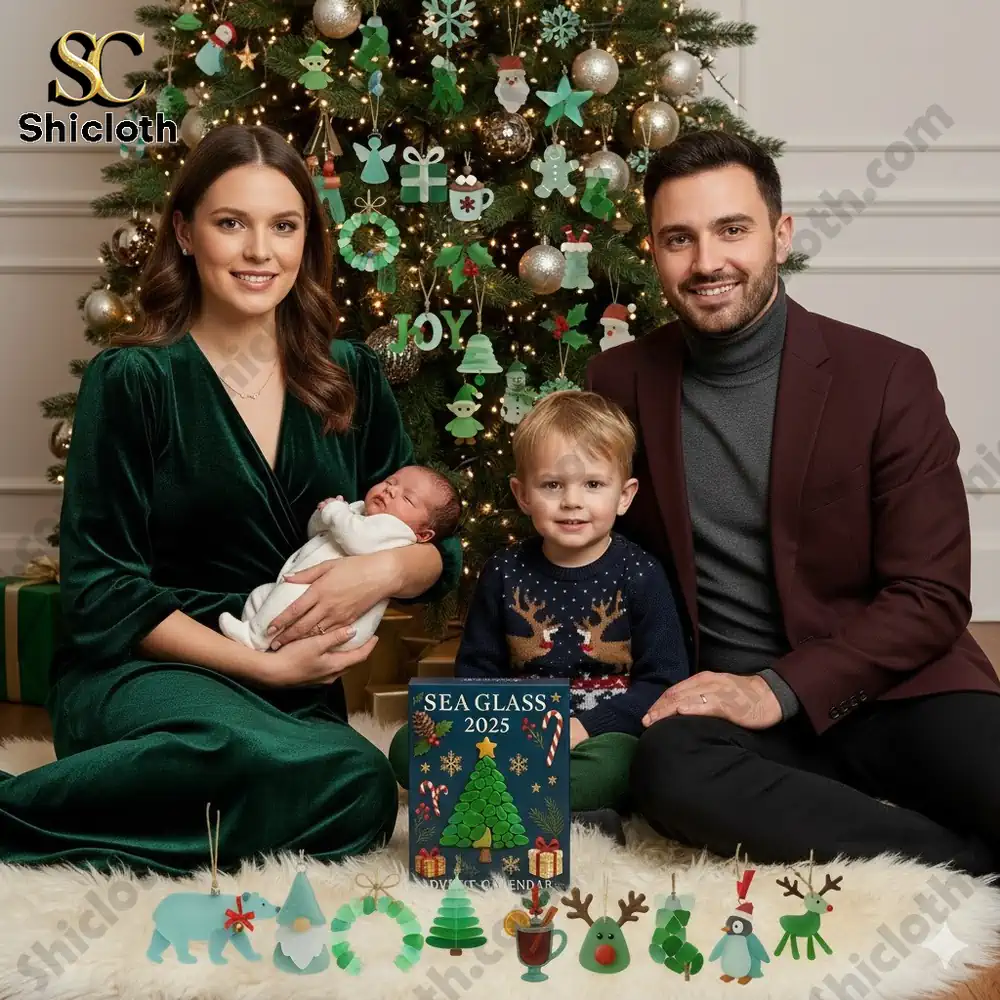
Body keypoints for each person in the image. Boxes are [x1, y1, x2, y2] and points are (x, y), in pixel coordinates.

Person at [0, 124, 461, 876]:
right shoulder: (133, 380)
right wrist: (263, 671)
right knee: (230, 748)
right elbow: (101, 592)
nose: (260, 252)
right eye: (230, 224)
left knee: (362, 788)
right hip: (144, 672)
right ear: (184, 232)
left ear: (307, 240)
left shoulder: (350, 375)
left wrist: (381, 573)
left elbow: (437, 546)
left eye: (284, 226)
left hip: (293, 698)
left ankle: (159, 802)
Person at [585, 129, 1000, 876]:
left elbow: (932, 596)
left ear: (780, 234)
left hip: (891, 686)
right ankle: (951, 865)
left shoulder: (886, 375)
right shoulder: (618, 383)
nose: (707, 261)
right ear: (652, 251)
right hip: (727, 715)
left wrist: (778, 689)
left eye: (731, 229)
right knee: (669, 771)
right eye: (679, 238)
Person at [387, 391, 689, 842]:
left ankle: (513, 801)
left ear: (624, 496)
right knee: (405, 746)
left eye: (593, 485)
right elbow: (477, 670)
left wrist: (585, 727)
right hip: (509, 733)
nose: (571, 501)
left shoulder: (641, 573)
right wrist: (492, 733)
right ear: (522, 494)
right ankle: (559, 809)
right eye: (552, 486)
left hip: (594, 736)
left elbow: (663, 681)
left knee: (628, 763)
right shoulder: (504, 571)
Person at [220, 466, 461, 651]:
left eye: (407, 499)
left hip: (335, 615)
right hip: (302, 588)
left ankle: (254, 639)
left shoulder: (397, 533)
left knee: (285, 602)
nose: (390, 490)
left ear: (422, 534)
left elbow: (359, 539)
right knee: (260, 595)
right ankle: (251, 629)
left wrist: (336, 513)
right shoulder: (358, 511)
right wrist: (324, 514)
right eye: (390, 482)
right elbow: (316, 532)